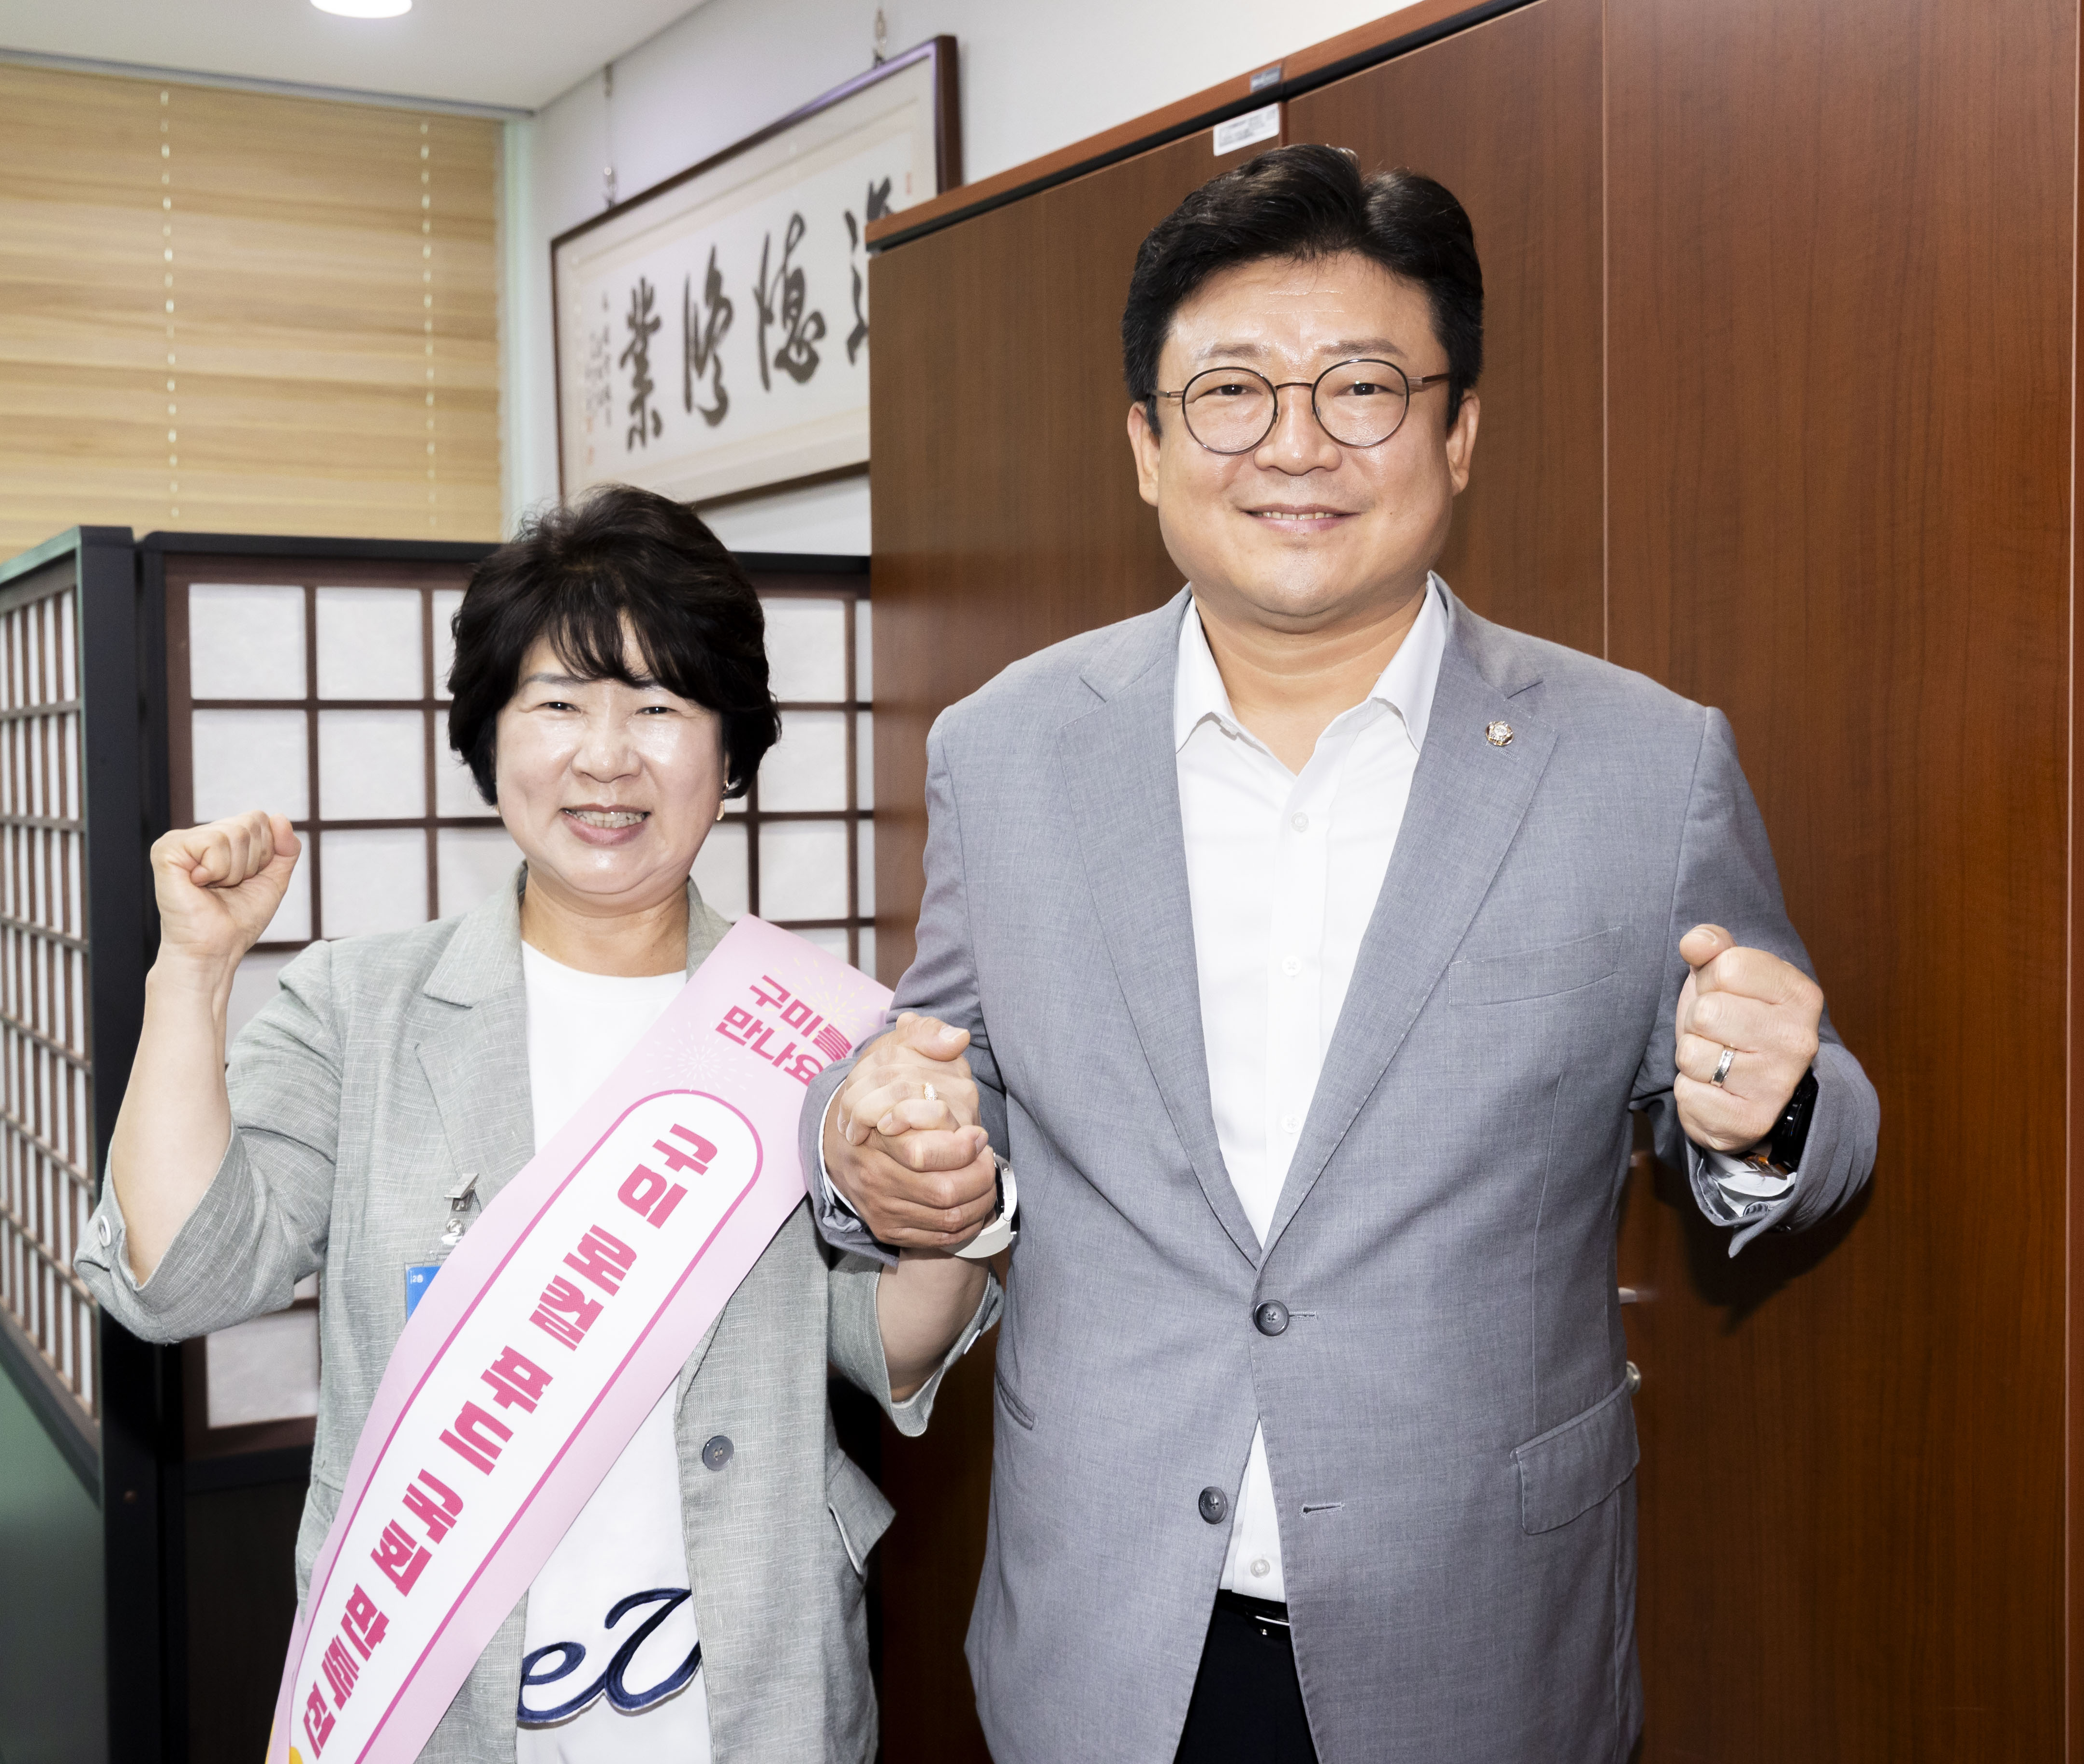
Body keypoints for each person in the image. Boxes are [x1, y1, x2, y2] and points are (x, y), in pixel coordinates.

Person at [805, 145, 1879, 1764]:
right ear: (1148, 448)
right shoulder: (1007, 748)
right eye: (1231, 393)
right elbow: (945, 1073)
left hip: (1479, 1636)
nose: (1297, 445)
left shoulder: (1645, 762)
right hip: (1106, 1630)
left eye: (1363, 388)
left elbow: (1808, 1108)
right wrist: (869, 1144)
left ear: (1459, 433)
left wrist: (1774, 1109)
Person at [75, 485, 998, 1763]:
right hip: (435, 1702)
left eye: (661, 707)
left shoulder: (820, 1030)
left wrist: (949, 1200)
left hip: (750, 1695)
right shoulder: (359, 1006)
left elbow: (887, 1345)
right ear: (489, 736)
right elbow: (179, 1279)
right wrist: (194, 969)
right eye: (558, 703)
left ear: (730, 752)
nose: (606, 758)